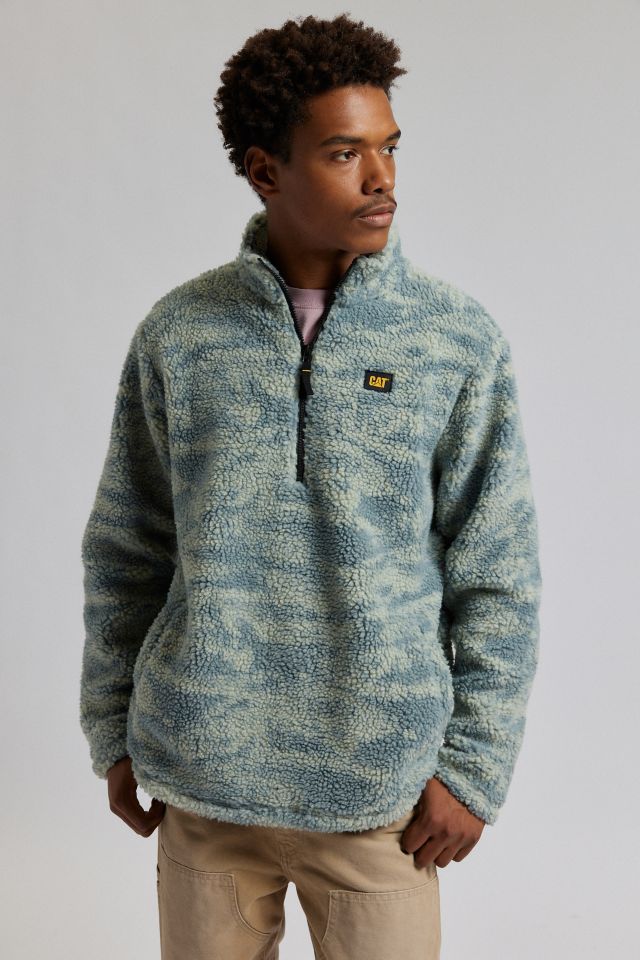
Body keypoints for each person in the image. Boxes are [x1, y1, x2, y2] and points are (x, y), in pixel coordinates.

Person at [79, 13, 542, 960]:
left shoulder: (455, 340)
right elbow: (127, 548)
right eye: (343, 153)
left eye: (389, 148)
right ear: (265, 171)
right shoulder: (180, 334)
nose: (382, 179)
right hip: (204, 783)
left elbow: (499, 571)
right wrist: (112, 729)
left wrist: (475, 768)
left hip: (382, 797)